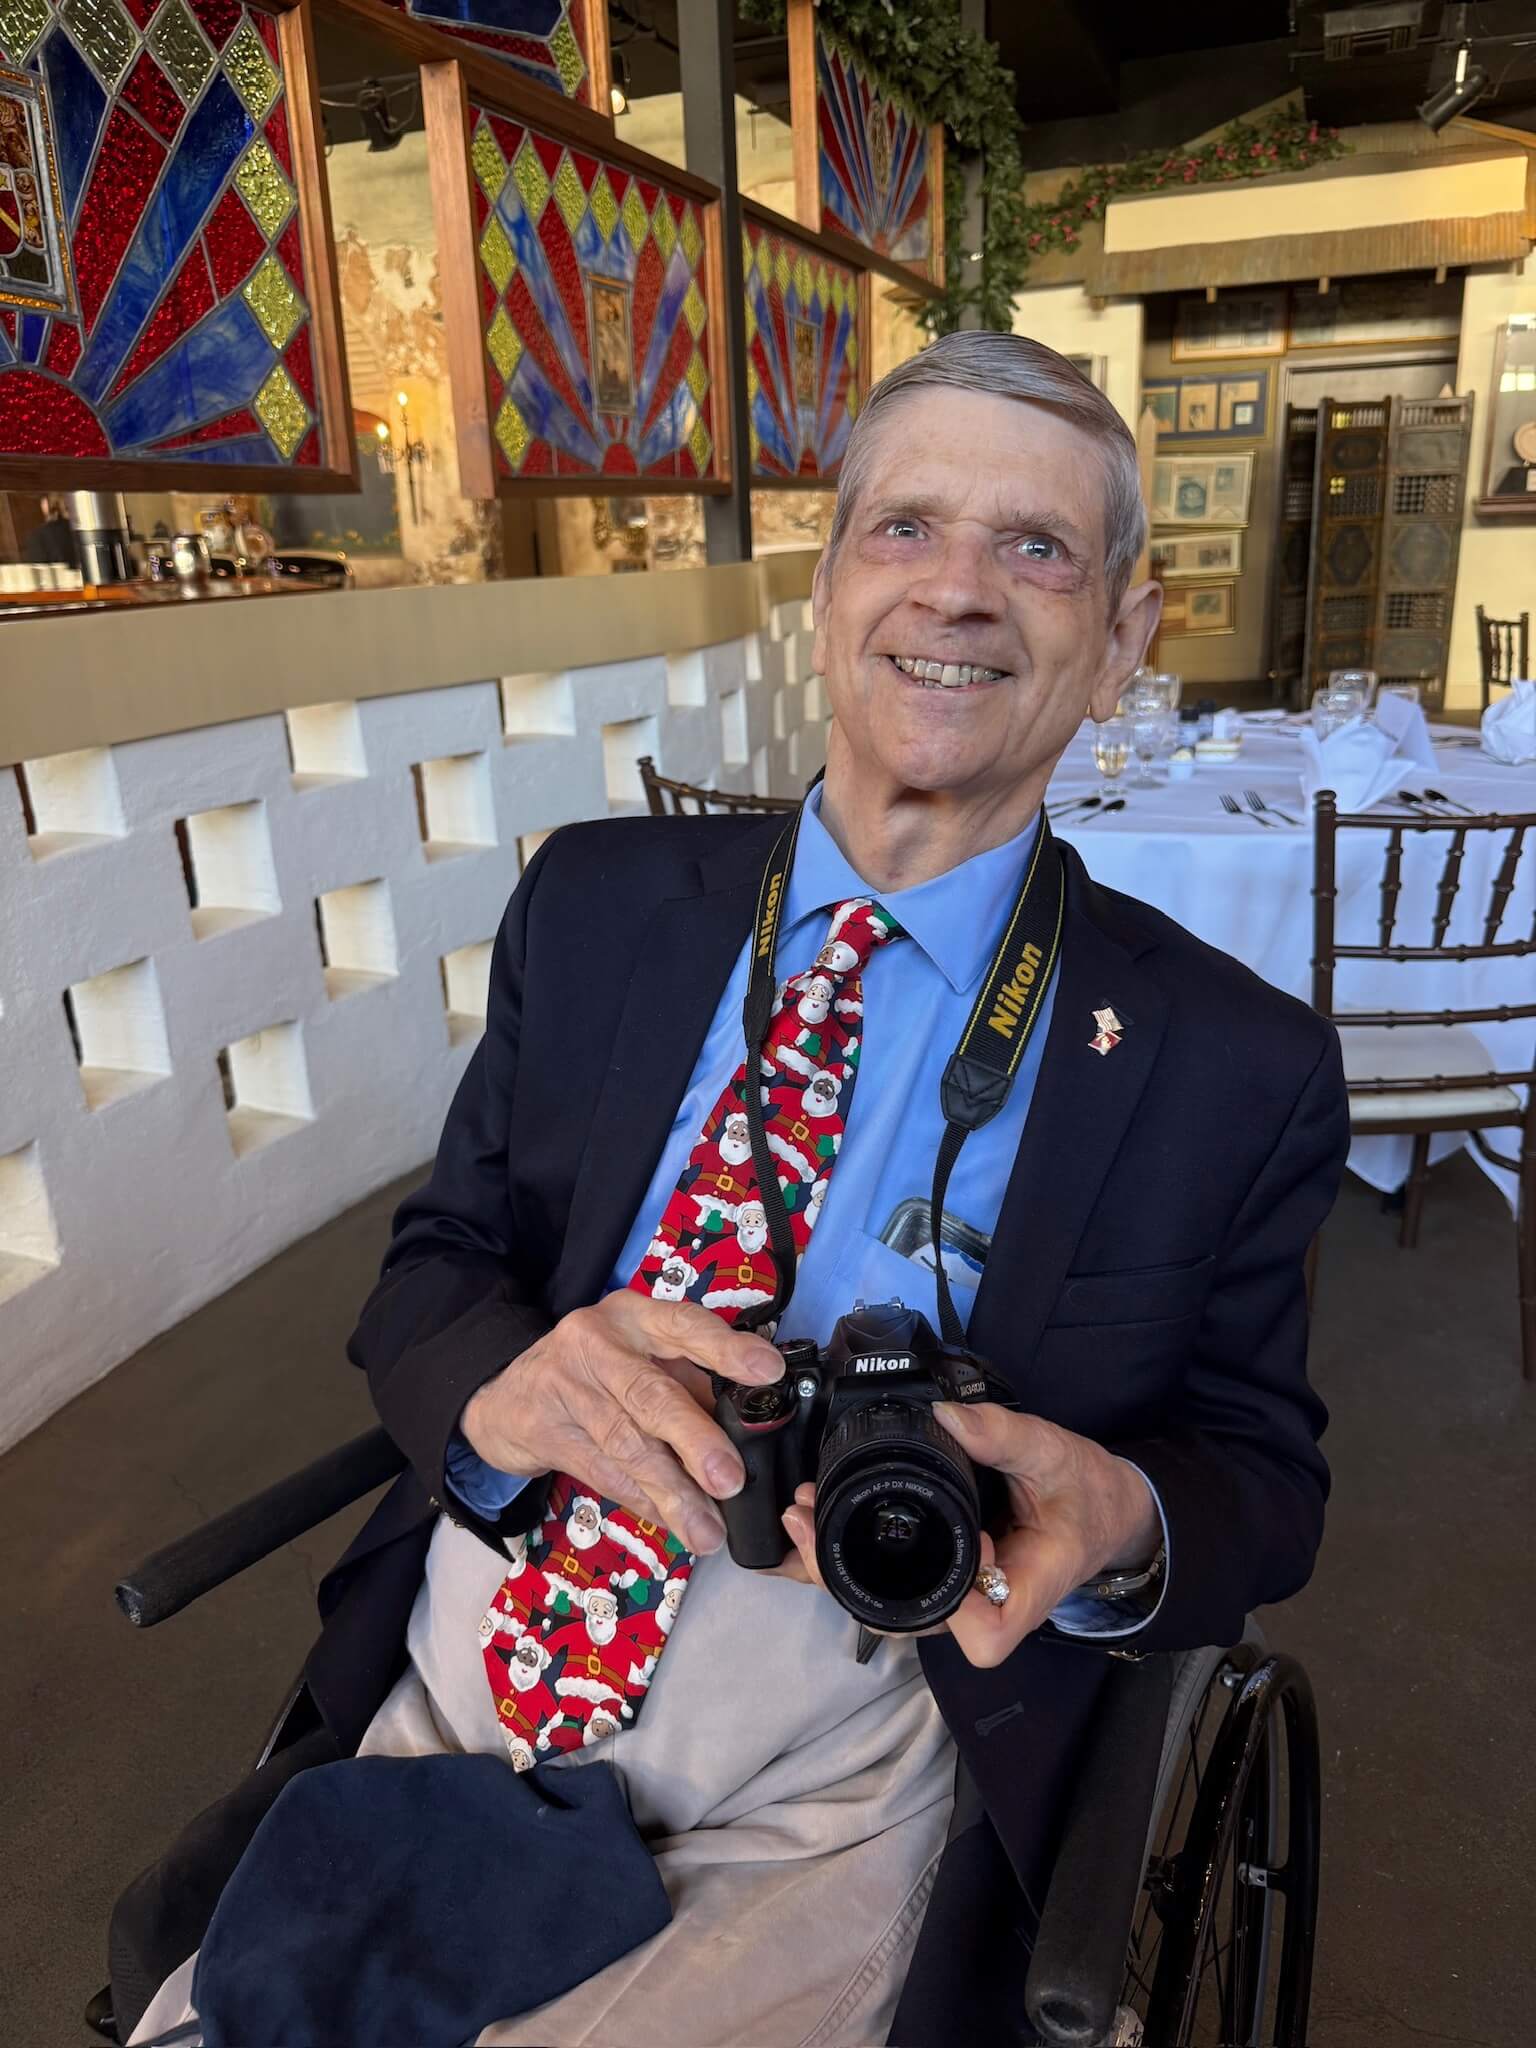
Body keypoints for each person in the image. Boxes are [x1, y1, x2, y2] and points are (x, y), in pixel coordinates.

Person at [122, 332, 1348, 2046]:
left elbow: (1262, 1478)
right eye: (905, 526)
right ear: (826, 592)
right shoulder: (595, 904)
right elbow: (437, 1263)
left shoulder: (1231, 1063)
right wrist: (506, 1391)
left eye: (1038, 547)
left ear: (1124, 640)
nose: (959, 590)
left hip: (847, 1736)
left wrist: (1121, 1511)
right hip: (475, 1665)